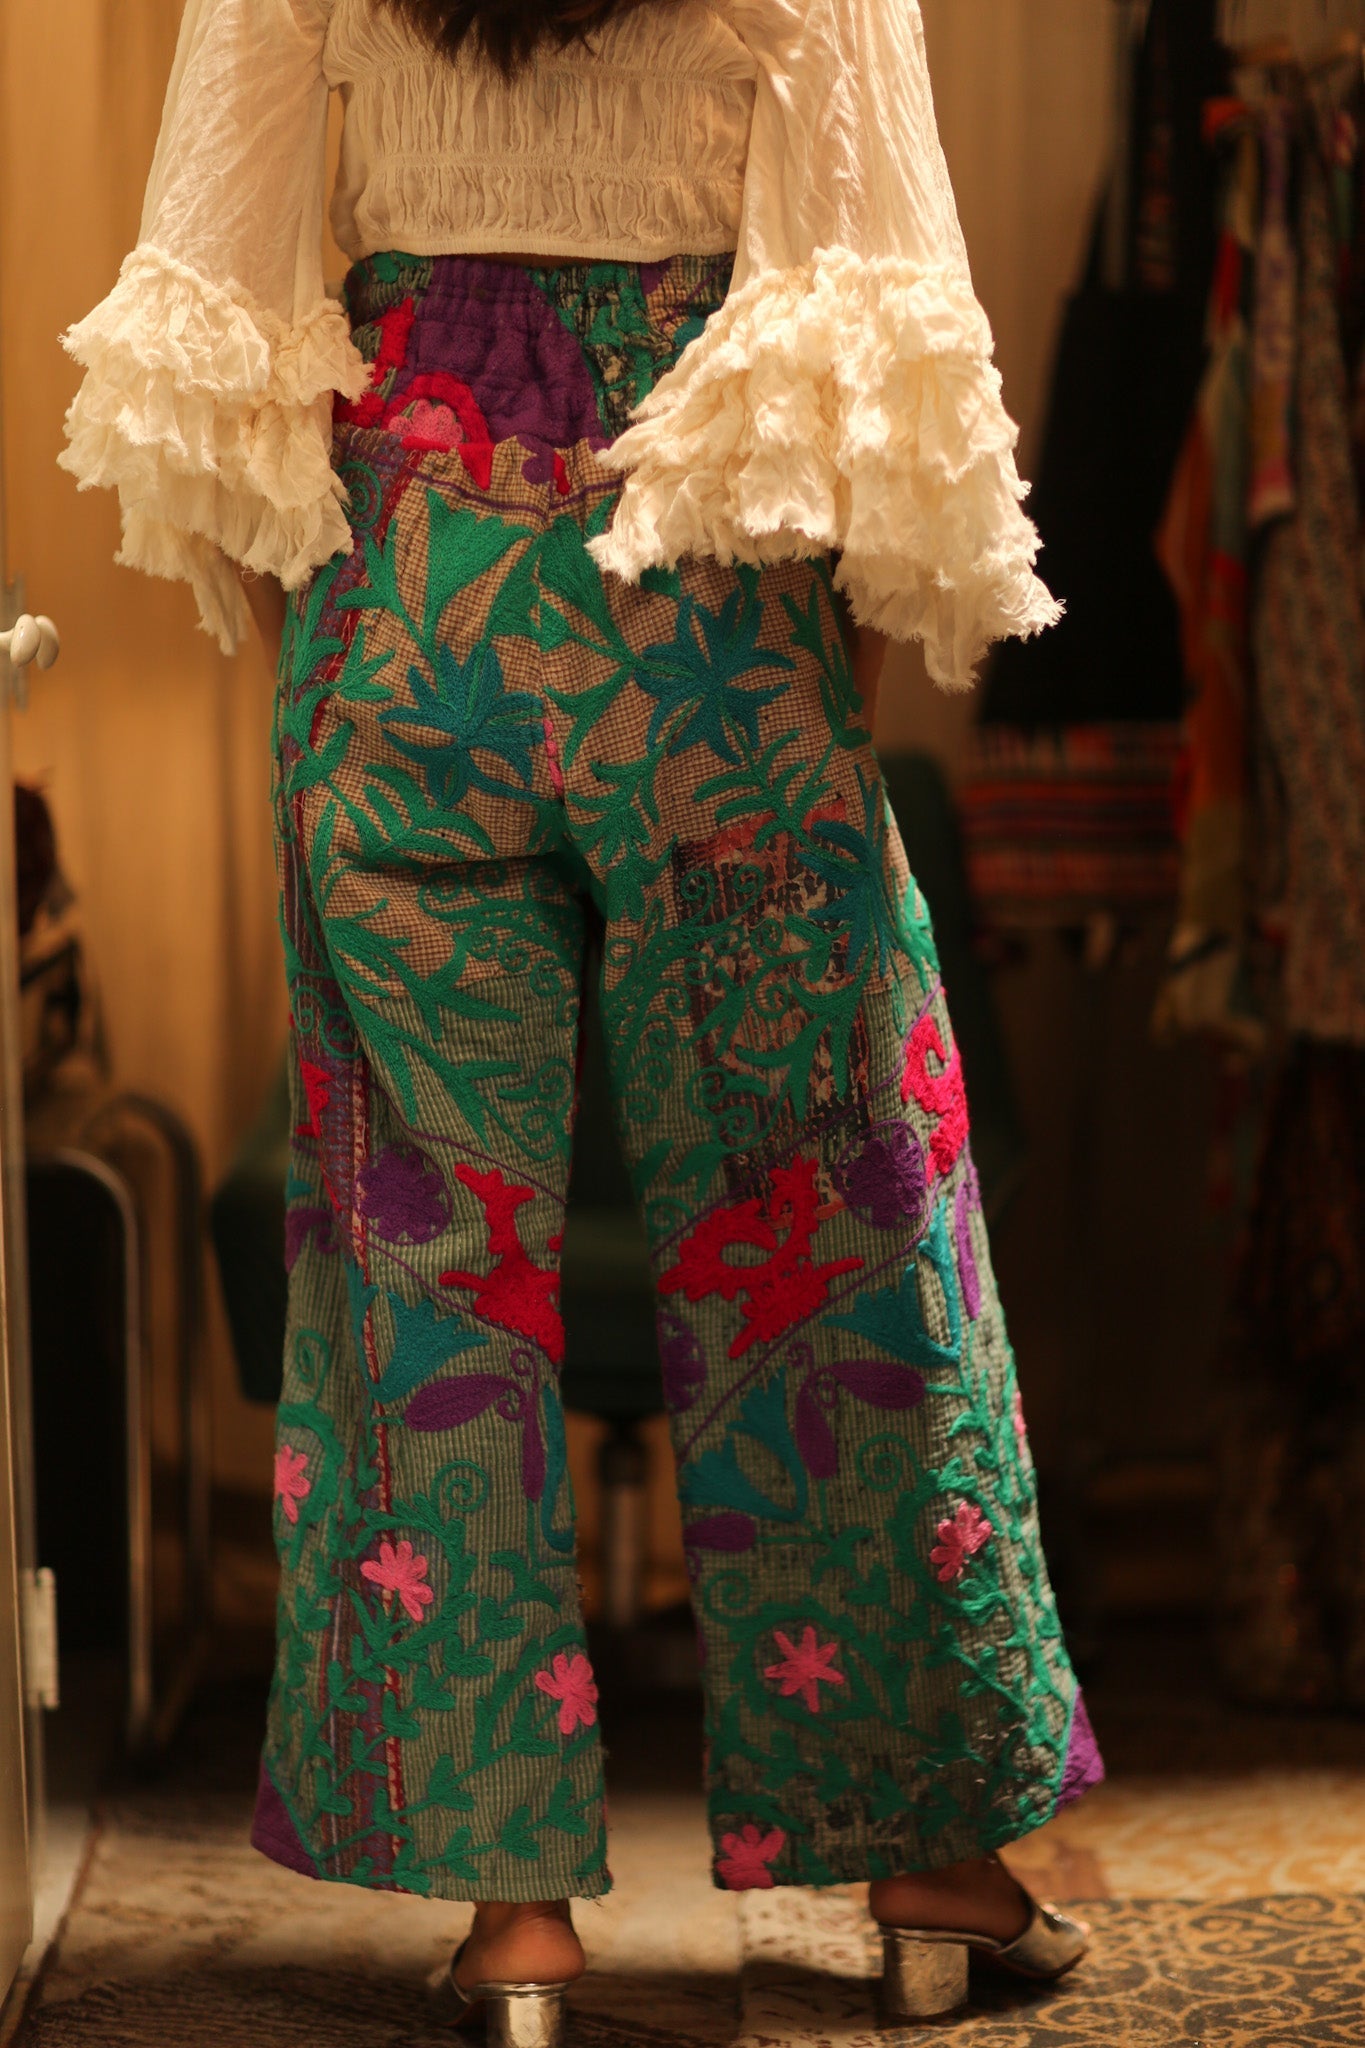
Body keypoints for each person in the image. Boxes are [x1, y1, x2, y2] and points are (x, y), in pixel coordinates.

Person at [59, 0, 1104, 2030]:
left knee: (421, 1250)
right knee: (825, 1212)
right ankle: (927, 1857)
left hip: (406, 579)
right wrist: (821, 691)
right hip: (702, 579)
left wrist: (346, 657)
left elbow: (219, 281)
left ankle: (509, 1911)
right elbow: (869, 297)